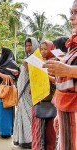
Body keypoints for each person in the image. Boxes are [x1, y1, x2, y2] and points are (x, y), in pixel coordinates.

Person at [43, 1, 77, 149]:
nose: (71, 17)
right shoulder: (73, 47)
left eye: (76, 13)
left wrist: (68, 70)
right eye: (71, 12)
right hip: (67, 114)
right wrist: (59, 113)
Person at [13, 37, 39, 149]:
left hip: (29, 92)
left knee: (28, 116)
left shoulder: (36, 59)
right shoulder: (27, 58)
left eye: (30, 45)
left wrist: (27, 66)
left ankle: (30, 140)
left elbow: (37, 75)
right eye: (26, 46)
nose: (28, 47)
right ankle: (22, 139)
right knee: (22, 115)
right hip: (22, 92)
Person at [32, 40, 56, 150]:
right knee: (39, 131)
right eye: (41, 49)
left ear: (51, 49)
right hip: (40, 100)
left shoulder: (55, 62)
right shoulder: (39, 62)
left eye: (46, 49)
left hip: (51, 101)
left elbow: (57, 81)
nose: (43, 51)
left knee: (50, 131)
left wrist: (45, 75)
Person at [0, 47, 19, 138]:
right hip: (2, 90)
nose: (1, 55)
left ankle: (5, 132)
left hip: (6, 91)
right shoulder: (1, 64)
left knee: (4, 112)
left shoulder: (11, 64)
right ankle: (4, 131)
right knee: (1, 112)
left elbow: (10, 78)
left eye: (2, 53)